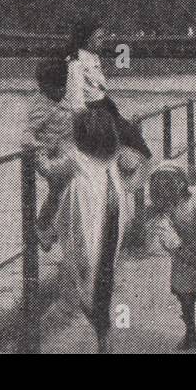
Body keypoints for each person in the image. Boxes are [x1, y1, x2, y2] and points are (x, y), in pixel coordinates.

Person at [53, 105, 133, 353]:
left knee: (82, 281)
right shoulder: (112, 158)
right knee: (102, 280)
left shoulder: (77, 159)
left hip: (87, 222)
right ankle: (103, 337)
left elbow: (50, 170)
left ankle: (102, 333)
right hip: (109, 220)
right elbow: (133, 164)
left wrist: (36, 156)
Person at [63, 15, 153, 164]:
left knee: (135, 141)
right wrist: (89, 129)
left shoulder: (93, 57)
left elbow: (99, 89)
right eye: (98, 37)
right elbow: (77, 101)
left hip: (105, 107)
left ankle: (149, 172)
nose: (102, 40)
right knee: (130, 145)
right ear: (87, 39)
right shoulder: (76, 63)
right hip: (95, 113)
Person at [147, 163, 196, 350]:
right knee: (186, 296)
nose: (167, 190)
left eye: (170, 184)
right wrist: (195, 259)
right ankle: (191, 331)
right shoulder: (162, 214)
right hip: (186, 258)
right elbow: (171, 241)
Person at [23, 57, 75, 250]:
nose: (62, 91)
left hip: (65, 150)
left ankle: (48, 227)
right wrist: (35, 148)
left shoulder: (65, 96)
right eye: (57, 88)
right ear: (44, 87)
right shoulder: (40, 105)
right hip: (48, 155)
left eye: (64, 86)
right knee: (59, 190)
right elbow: (28, 133)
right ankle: (44, 226)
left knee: (61, 191)